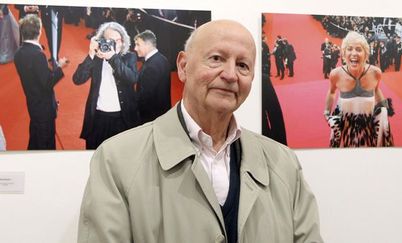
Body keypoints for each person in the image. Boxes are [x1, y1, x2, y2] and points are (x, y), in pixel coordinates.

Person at [78, 19, 322, 243]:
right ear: (183, 66)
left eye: (243, 65)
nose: (230, 75)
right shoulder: (116, 161)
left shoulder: (285, 165)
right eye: (216, 58)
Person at [72, 22, 139, 149]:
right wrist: (91, 53)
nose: (111, 44)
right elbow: (77, 79)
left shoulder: (129, 57)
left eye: (115, 40)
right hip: (98, 118)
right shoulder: (96, 59)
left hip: (121, 119)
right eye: (108, 40)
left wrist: (112, 57)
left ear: (122, 41)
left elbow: (132, 78)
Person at [324, 31, 394, 147]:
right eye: (349, 49)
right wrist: (326, 113)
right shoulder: (335, 74)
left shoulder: (375, 72)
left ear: (366, 55)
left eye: (358, 49)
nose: (354, 53)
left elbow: (376, 89)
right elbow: (331, 92)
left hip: (369, 129)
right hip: (346, 129)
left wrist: (386, 110)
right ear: (343, 54)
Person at [14, 14, 68, 149]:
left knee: (35, 140)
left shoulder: (19, 53)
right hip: (44, 109)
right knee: (46, 144)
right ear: (39, 31)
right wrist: (60, 67)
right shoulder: (38, 55)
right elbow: (47, 83)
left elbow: (35, 76)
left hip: (33, 104)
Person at [134, 30, 172, 124]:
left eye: (138, 44)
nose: (135, 48)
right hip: (162, 114)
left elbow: (145, 97)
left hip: (150, 118)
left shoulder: (151, 66)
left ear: (148, 45)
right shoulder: (162, 59)